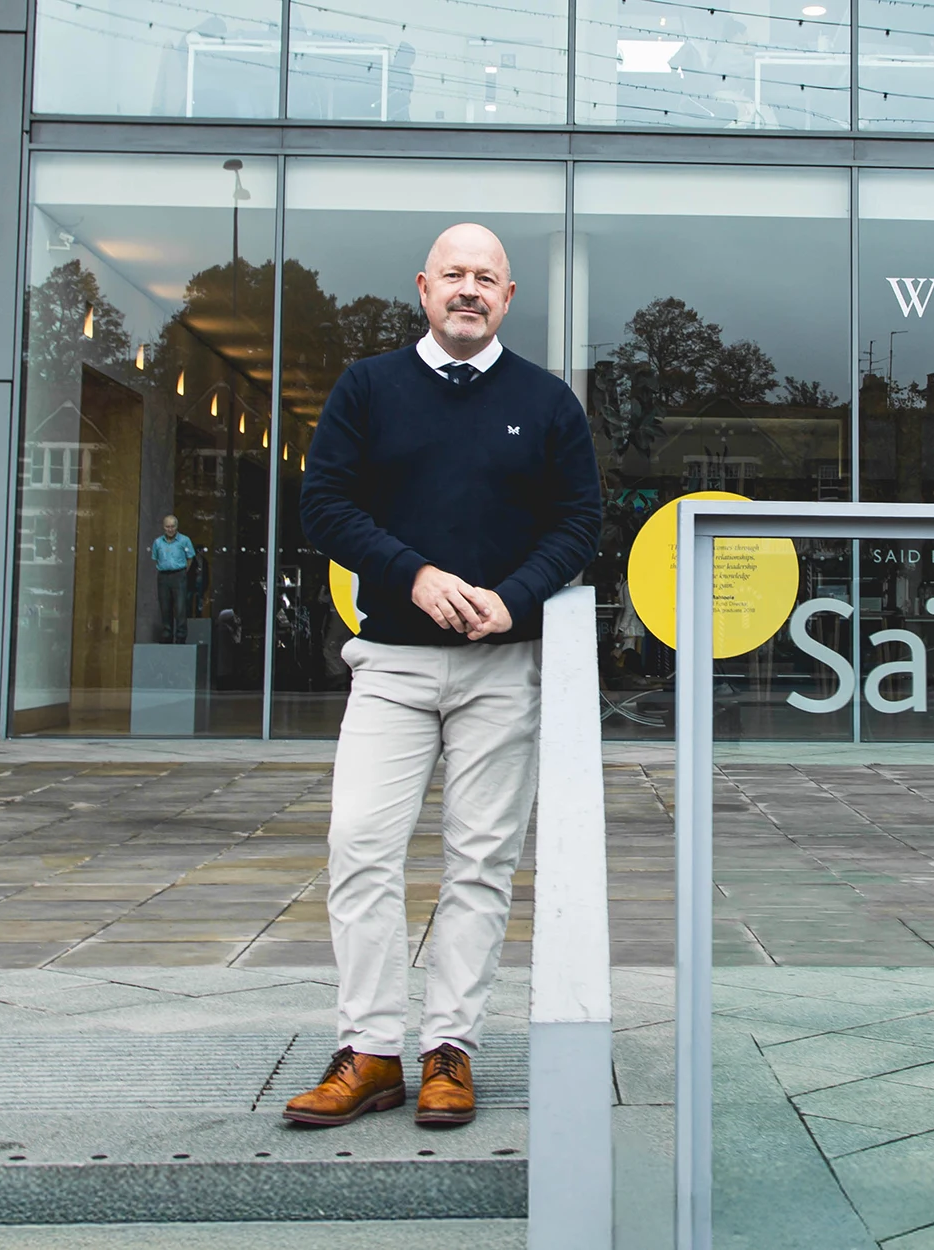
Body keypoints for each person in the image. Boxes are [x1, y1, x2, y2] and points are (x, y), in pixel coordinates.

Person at [283, 223, 600, 1129]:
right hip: (390, 664)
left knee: (481, 864)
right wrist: (414, 575)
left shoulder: (547, 402)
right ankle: (371, 1051)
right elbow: (324, 505)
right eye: (453, 274)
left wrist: (514, 597)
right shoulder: (368, 387)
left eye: (486, 278)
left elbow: (579, 522)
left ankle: (449, 1048)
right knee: (359, 847)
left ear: (508, 297)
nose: (469, 289)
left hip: (503, 668)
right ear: (423, 288)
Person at [151, 515, 196, 643]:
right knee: (165, 606)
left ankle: (181, 636)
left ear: (177, 526)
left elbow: (190, 558)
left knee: (180, 607)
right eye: (167, 527)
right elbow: (155, 558)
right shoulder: (158, 542)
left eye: (172, 526)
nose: (170, 529)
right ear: (163, 527)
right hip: (163, 575)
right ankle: (167, 635)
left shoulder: (184, 540)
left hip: (179, 574)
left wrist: (182, 571)